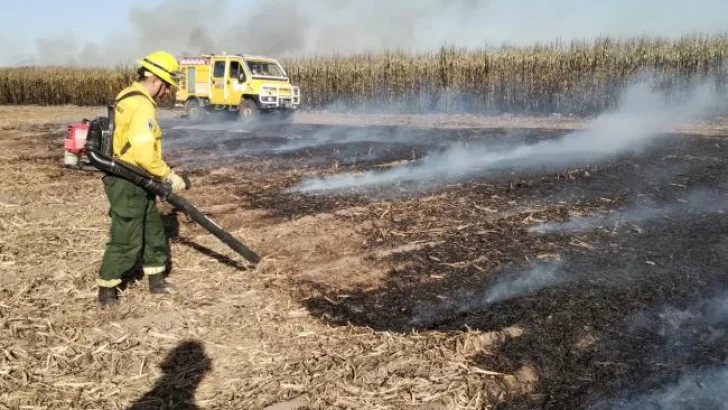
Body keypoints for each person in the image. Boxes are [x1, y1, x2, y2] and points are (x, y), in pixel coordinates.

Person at [97, 50, 189, 308]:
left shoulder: (128, 95)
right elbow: (143, 151)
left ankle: (156, 280)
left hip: (137, 178)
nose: (168, 92)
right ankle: (106, 290)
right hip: (127, 180)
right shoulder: (142, 104)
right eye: (168, 85)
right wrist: (168, 174)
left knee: (152, 229)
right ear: (156, 80)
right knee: (126, 235)